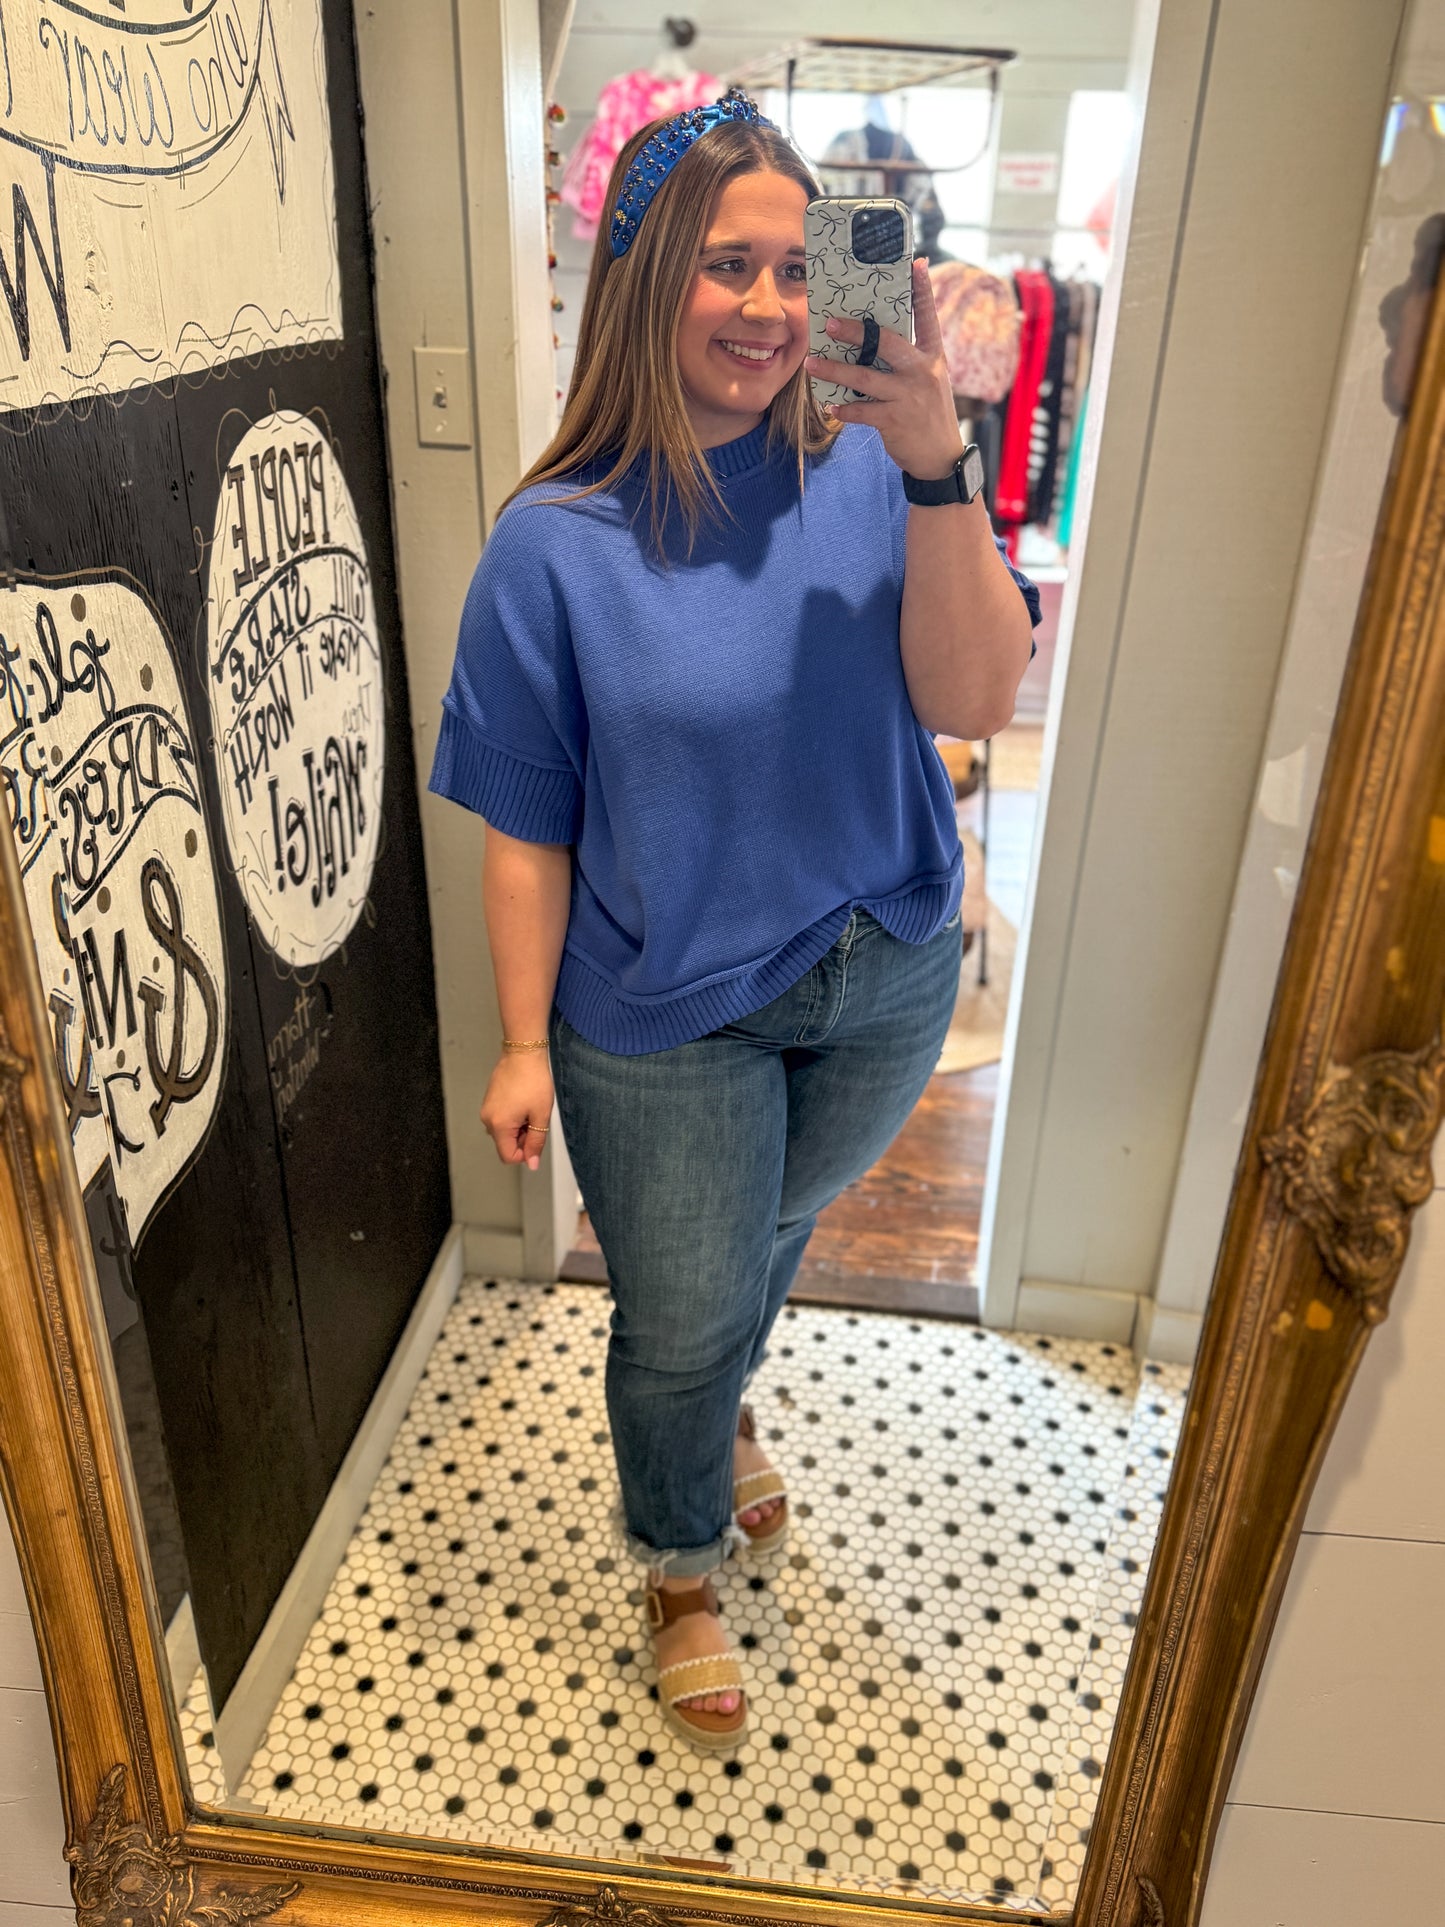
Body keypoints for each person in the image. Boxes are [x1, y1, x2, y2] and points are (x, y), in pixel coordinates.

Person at [428, 87, 1040, 1754]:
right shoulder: (549, 548)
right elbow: (525, 832)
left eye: (796, 268)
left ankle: (709, 1423)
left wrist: (937, 466)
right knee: (686, 1309)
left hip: (885, 971)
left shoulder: (869, 474)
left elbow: (977, 696)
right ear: (637, 280)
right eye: (724, 267)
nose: (771, 308)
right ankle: (677, 1562)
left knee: (764, 1245)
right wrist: (515, 1039)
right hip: (661, 1012)